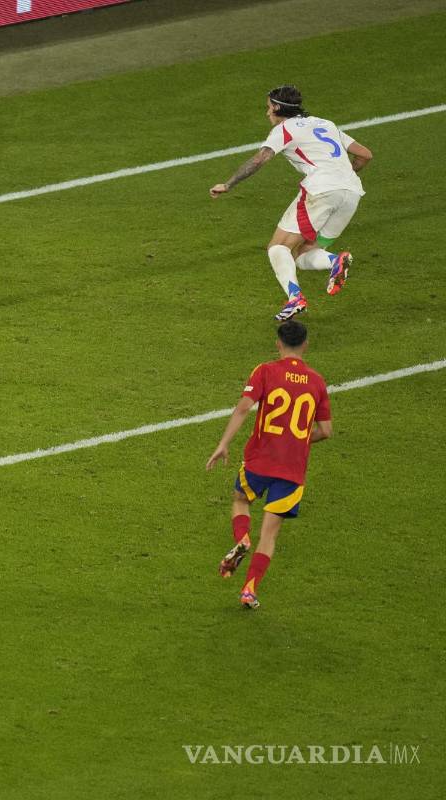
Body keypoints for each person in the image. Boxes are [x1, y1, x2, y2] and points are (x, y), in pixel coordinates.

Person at [210, 85, 373, 321]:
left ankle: (295, 298)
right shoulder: (325, 123)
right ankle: (333, 261)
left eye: (268, 108)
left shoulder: (283, 129)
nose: (267, 113)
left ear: (277, 107)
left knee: (278, 247)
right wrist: (343, 176)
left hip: (321, 189)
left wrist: (228, 184)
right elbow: (365, 155)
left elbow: (260, 159)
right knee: (305, 253)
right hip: (352, 193)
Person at [205, 320, 332, 609]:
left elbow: (243, 407)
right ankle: (249, 589)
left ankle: (242, 538)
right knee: (271, 532)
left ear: (278, 343)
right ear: (306, 344)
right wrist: (299, 440)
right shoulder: (317, 382)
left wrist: (223, 443)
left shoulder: (265, 371)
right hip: (292, 468)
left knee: (240, 499)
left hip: (260, 459)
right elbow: (326, 430)